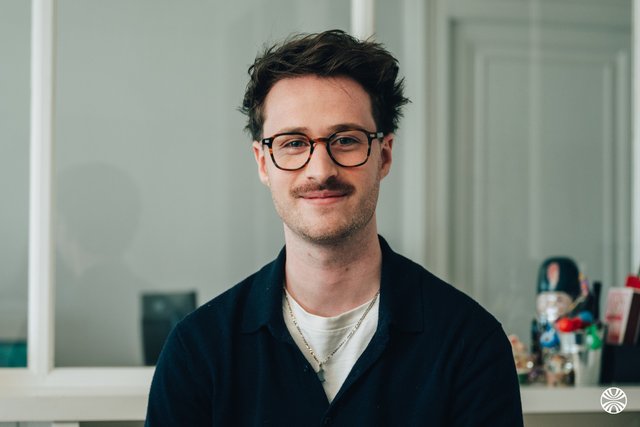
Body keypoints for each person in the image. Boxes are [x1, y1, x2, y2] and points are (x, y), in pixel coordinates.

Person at [146, 29, 523, 426]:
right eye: (293, 143)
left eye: (345, 140)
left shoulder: (470, 343)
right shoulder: (198, 350)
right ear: (262, 162)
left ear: (384, 155)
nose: (321, 170)